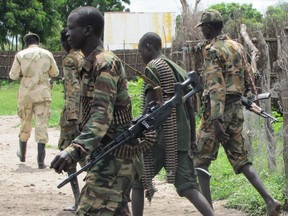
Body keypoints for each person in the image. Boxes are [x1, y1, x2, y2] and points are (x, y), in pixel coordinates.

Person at [50, 6, 141, 215]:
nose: (67, 33)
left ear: (87, 30)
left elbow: (101, 116)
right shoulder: (90, 64)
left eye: (71, 28)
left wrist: (74, 150)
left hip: (115, 158)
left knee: (87, 211)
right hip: (108, 155)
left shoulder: (105, 64)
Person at [194, 9, 281, 216]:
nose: (202, 32)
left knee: (200, 161)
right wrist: (250, 97)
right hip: (236, 108)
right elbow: (249, 76)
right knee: (240, 159)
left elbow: (216, 87)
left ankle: (208, 212)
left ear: (208, 27)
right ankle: (270, 200)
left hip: (218, 111)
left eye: (203, 28)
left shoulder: (212, 50)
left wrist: (216, 119)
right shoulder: (237, 46)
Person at [131, 32, 214, 216]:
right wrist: (192, 138)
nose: (141, 57)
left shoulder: (153, 66)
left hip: (160, 136)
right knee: (189, 188)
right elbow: (190, 108)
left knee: (137, 180)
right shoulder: (178, 68)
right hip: (181, 135)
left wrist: (137, 129)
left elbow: (150, 107)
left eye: (140, 51)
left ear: (148, 47)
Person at [9, 32, 59, 169]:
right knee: (41, 125)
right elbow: (55, 73)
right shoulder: (47, 54)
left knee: (25, 123)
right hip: (43, 94)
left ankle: (22, 154)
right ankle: (40, 161)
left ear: (26, 43)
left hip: (26, 94)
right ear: (38, 42)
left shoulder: (20, 55)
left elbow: (13, 76)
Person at [57, 28, 84, 211]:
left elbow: (73, 89)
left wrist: (73, 118)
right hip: (92, 111)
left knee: (70, 157)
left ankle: (79, 200)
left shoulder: (70, 60)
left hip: (74, 114)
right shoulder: (88, 55)